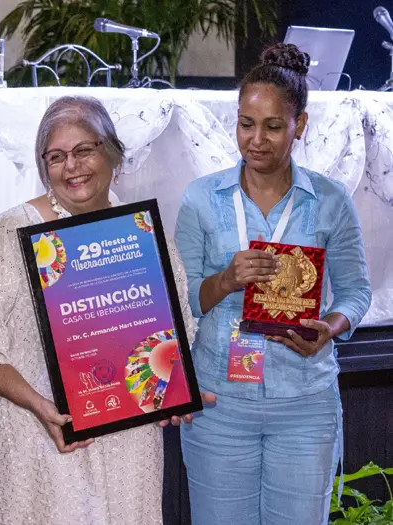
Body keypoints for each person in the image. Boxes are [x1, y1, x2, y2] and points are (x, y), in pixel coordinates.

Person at [0, 95, 208, 525]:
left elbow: (170, 329)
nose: (72, 166)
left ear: (113, 154)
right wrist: (40, 406)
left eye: (84, 150)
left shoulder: (140, 232)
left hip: (125, 444)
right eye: (56, 156)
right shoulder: (1, 235)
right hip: (33, 440)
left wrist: (172, 391)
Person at [174, 43, 372, 525]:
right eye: (246, 123)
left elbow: (356, 292)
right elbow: (181, 302)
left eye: (273, 126)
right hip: (219, 405)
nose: (256, 139)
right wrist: (224, 280)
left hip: (305, 405)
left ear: (299, 126)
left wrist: (328, 326)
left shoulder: (329, 200)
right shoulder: (202, 198)